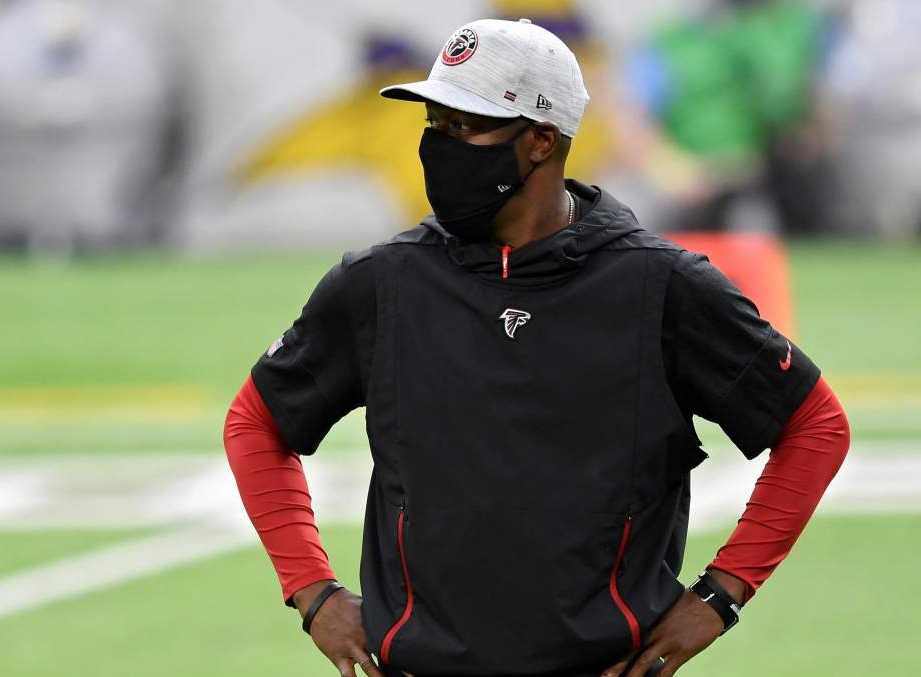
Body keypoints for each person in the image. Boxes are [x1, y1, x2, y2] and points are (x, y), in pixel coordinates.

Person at [224, 18, 849, 677]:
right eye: (435, 123)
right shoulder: (379, 284)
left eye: (464, 125)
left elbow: (814, 423)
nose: (438, 146)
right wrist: (312, 592)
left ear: (542, 140)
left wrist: (720, 596)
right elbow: (257, 420)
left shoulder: (660, 286)